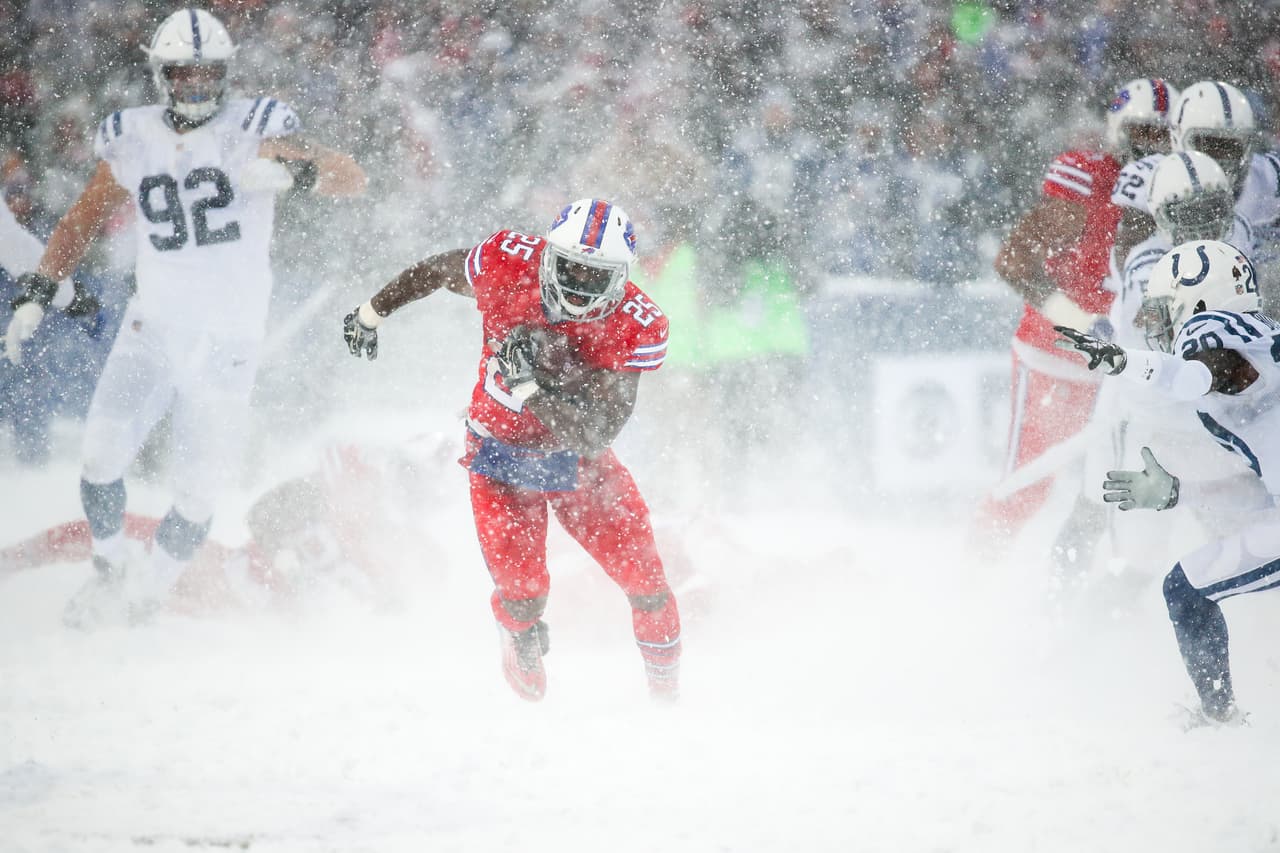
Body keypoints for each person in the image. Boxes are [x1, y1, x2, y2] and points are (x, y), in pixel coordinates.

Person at [4, 8, 366, 625]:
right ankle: (109, 568)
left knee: (199, 491)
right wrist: (40, 290)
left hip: (229, 337)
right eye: (181, 74)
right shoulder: (132, 133)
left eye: (205, 73)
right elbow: (84, 218)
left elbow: (350, 177)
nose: (193, 85)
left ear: (223, 74)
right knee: (99, 457)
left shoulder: (255, 124)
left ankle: (152, 591)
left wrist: (294, 172)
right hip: (153, 327)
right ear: (160, 74)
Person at [342, 198, 682, 702]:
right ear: (546, 255)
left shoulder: (638, 324)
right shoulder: (507, 260)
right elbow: (439, 270)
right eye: (569, 268)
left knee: (647, 583)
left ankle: (667, 700)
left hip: (578, 464)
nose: (577, 285)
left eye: (594, 276)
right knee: (525, 598)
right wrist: (372, 312)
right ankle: (516, 629)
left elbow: (595, 432)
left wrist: (532, 391)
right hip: (498, 458)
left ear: (621, 279)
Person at [1056, 240, 1278, 727]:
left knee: (1186, 589)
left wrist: (1121, 362)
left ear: (1201, 301)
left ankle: (1219, 719)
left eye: (1168, 311)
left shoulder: (1218, 332)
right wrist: (1181, 494)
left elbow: (1195, 375)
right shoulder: (1249, 350)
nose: (1159, 326)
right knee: (1188, 586)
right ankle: (1221, 717)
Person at [977, 78, 1175, 551]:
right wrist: (1080, 321)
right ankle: (971, 579)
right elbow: (1014, 262)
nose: (1150, 146)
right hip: (1056, 358)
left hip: (1121, 374)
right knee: (1027, 485)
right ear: (1119, 129)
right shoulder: (1085, 176)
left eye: (1161, 135)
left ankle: (1073, 605)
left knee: (1108, 497)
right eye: (1142, 132)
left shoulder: (1177, 192)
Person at [1169, 80, 1280, 315]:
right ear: (1178, 138)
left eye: (1230, 147)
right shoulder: (1163, 188)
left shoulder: (1270, 177)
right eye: (1209, 145)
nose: (1222, 159)